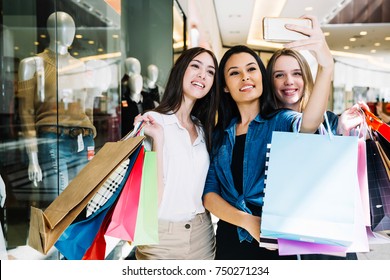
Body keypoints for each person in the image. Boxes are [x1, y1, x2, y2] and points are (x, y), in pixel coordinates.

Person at [202, 15, 334, 260]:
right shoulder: (220, 134)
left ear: (262, 76)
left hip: (274, 243)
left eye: (252, 69)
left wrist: (326, 66)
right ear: (224, 86)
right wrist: (248, 221)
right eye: (235, 73)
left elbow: (309, 125)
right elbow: (209, 195)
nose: (245, 77)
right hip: (230, 241)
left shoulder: (281, 120)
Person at [266, 47, 364, 260]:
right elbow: (304, 128)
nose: (289, 81)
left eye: (296, 73)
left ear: (306, 78)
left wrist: (344, 131)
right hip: (293, 233)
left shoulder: (328, 119)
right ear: (270, 82)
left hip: (334, 228)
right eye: (279, 75)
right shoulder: (270, 122)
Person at [133, 47, 219, 260]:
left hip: (203, 235)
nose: (202, 75)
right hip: (161, 237)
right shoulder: (153, 121)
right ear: (180, 70)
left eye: (210, 72)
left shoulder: (202, 127)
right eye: (196, 66)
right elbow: (151, 198)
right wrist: (159, 140)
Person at [17, 12, 97, 197]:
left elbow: (88, 109)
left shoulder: (82, 67)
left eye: (72, 28)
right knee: (58, 203)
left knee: (82, 201)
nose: (70, 33)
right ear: (52, 29)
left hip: (84, 140)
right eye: (65, 27)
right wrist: (33, 157)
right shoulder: (33, 64)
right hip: (53, 139)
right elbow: (26, 113)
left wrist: (91, 135)